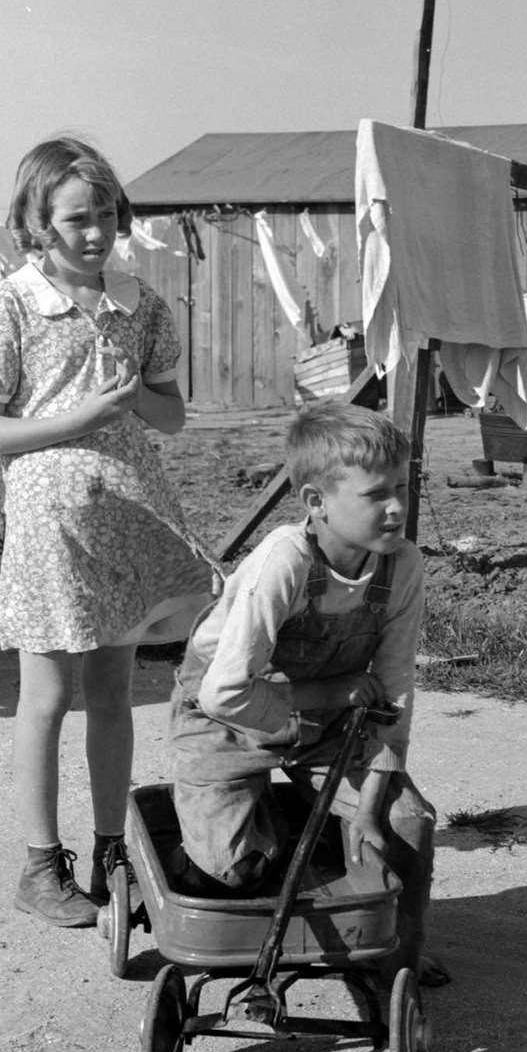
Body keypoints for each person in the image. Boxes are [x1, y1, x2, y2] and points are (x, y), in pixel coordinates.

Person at [0, 136, 215, 928]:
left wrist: (134, 397)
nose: (96, 233)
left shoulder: (140, 304)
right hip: (53, 533)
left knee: (114, 691)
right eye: (76, 219)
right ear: (36, 223)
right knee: (45, 695)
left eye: (106, 214)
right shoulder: (8, 305)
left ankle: (115, 852)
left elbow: (171, 416)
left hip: (129, 521)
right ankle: (41, 864)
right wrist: (83, 415)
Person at [168, 401, 436, 976]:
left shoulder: (402, 566)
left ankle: (401, 957)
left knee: (407, 821)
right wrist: (329, 692)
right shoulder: (284, 561)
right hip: (225, 725)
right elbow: (225, 693)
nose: (395, 509)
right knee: (234, 871)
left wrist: (368, 810)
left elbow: (393, 691)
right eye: (374, 495)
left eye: (402, 489)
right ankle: (245, 825)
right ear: (316, 503)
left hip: (325, 726)